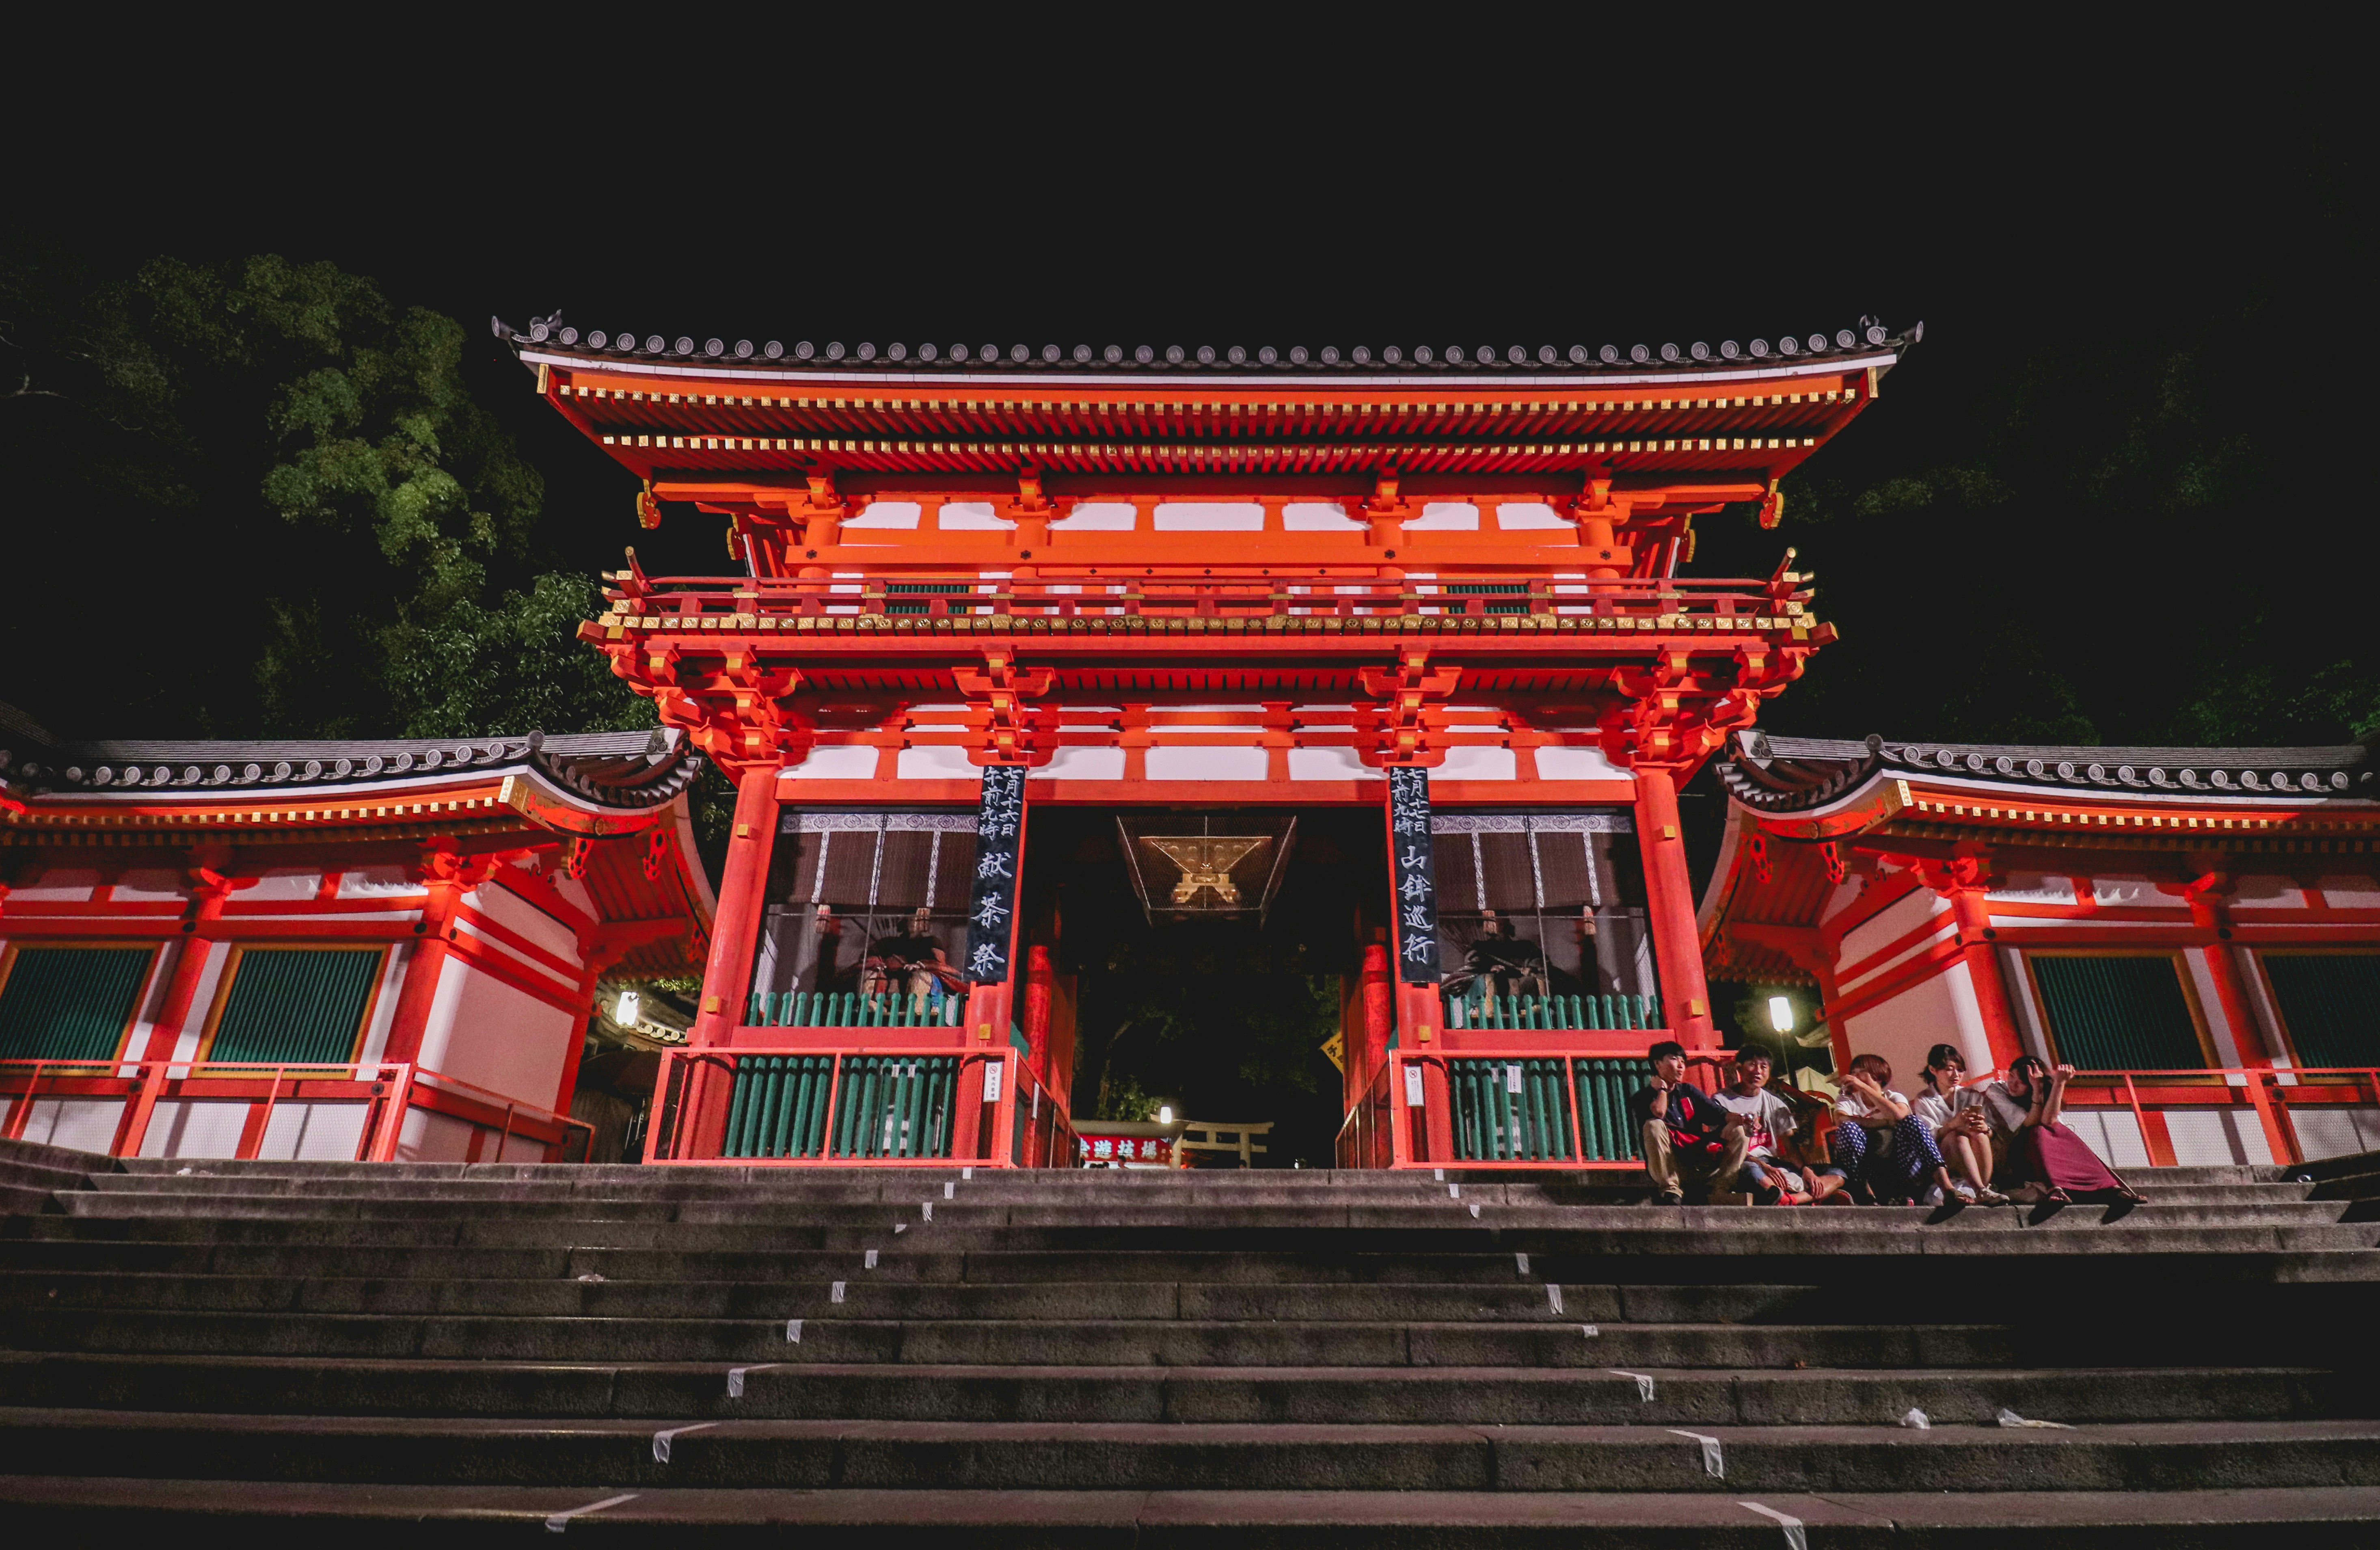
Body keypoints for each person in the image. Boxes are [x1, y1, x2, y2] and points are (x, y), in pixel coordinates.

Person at [2000, 1055, 2147, 1205]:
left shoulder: (2043, 1091)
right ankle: (2055, 1187)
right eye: (2012, 1076)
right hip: (2016, 1152)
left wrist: (2059, 1083)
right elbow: (2029, 1124)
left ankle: (2110, 1187)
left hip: (2043, 1147)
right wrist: (2037, 1091)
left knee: (2061, 1132)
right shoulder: (1998, 1090)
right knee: (2038, 1131)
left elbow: (2048, 1121)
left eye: (2022, 1082)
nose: (2013, 1084)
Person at [1712, 1049, 1847, 1204]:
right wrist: (1763, 1166)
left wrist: (1806, 1170)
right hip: (1743, 1163)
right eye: (1752, 1065)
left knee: (1837, 1173)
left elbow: (1791, 1148)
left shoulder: (1775, 1103)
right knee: (1751, 1170)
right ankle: (1811, 1196)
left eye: (1764, 1067)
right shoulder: (1722, 1101)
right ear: (1739, 1068)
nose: (1758, 1071)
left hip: (1773, 1163)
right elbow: (1723, 1146)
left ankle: (1791, 1200)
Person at [1628, 1040, 1751, 1206]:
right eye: (1674, 1059)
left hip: (1700, 1163)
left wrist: (1744, 1120)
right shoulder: (1642, 1097)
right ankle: (1670, 1189)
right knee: (1654, 1125)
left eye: (1683, 1061)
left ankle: (1720, 1189)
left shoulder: (1688, 1091)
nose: (1681, 1066)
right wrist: (1663, 1090)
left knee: (1740, 1133)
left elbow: (1720, 1115)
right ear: (1658, 1064)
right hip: (1672, 1167)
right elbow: (1659, 1112)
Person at [1831, 1053, 1963, 1205]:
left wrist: (1864, 1088)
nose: (1854, 1076)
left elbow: (1900, 1115)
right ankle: (1867, 1194)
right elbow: (1842, 1120)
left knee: (1912, 1122)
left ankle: (1947, 1189)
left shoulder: (1894, 1097)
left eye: (1861, 1071)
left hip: (1902, 1165)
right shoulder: (1848, 1100)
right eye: (1853, 1072)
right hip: (1867, 1166)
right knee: (1848, 1129)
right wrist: (1886, 1123)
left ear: (1878, 1076)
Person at [1912, 1044, 2011, 1206]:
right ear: (1933, 1070)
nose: (1956, 1075)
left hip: (1976, 1154)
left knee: (1979, 1134)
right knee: (1958, 1137)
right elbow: (1928, 1137)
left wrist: (1986, 1129)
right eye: (1949, 1069)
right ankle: (1980, 1190)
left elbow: (1997, 1130)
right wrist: (1953, 1125)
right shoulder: (1924, 1099)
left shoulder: (1971, 1095)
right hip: (1944, 1159)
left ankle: (1983, 1187)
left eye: (1960, 1069)